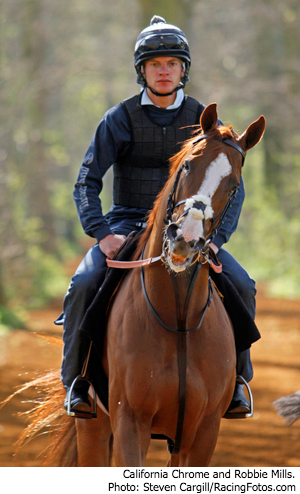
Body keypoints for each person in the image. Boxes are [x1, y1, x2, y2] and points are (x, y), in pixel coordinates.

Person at [60, 15, 254, 417]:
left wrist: (217, 238)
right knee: (83, 283)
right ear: (142, 71)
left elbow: (233, 187)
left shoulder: (205, 120)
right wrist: (101, 234)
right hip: (128, 223)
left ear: (183, 70)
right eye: (154, 65)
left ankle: (237, 382)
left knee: (243, 285)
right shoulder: (119, 118)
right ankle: (77, 382)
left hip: (191, 227)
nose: (163, 72)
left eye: (171, 64)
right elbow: (86, 182)